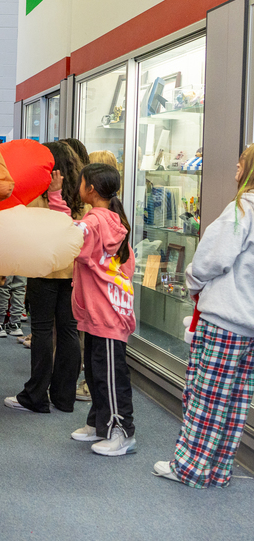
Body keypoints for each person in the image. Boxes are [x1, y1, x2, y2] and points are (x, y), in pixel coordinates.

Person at [154, 145, 254, 487]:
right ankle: (219, 469)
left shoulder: (242, 209)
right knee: (235, 401)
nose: (235, 171)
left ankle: (191, 468)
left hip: (224, 319)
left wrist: (193, 280)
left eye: (240, 165)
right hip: (249, 327)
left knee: (206, 397)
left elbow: (212, 259)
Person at [53, 163, 138, 456]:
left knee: (110, 375)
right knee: (95, 371)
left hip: (106, 314)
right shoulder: (112, 219)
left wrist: (55, 197)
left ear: (90, 189)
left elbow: (67, 235)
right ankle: (100, 423)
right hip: (101, 312)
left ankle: (121, 432)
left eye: (81, 182)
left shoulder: (95, 222)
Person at [5, 142, 85, 414]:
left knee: (42, 331)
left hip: (44, 271)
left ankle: (36, 395)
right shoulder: (82, 201)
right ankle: (64, 397)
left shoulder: (40, 199)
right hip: (73, 273)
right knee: (69, 331)